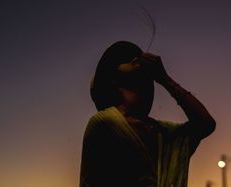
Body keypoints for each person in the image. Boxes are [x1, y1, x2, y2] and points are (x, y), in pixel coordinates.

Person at [79, 41, 216, 187]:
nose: (135, 59)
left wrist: (164, 78)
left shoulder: (162, 132)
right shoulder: (104, 123)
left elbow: (205, 124)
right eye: (123, 59)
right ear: (112, 78)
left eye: (136, 56)